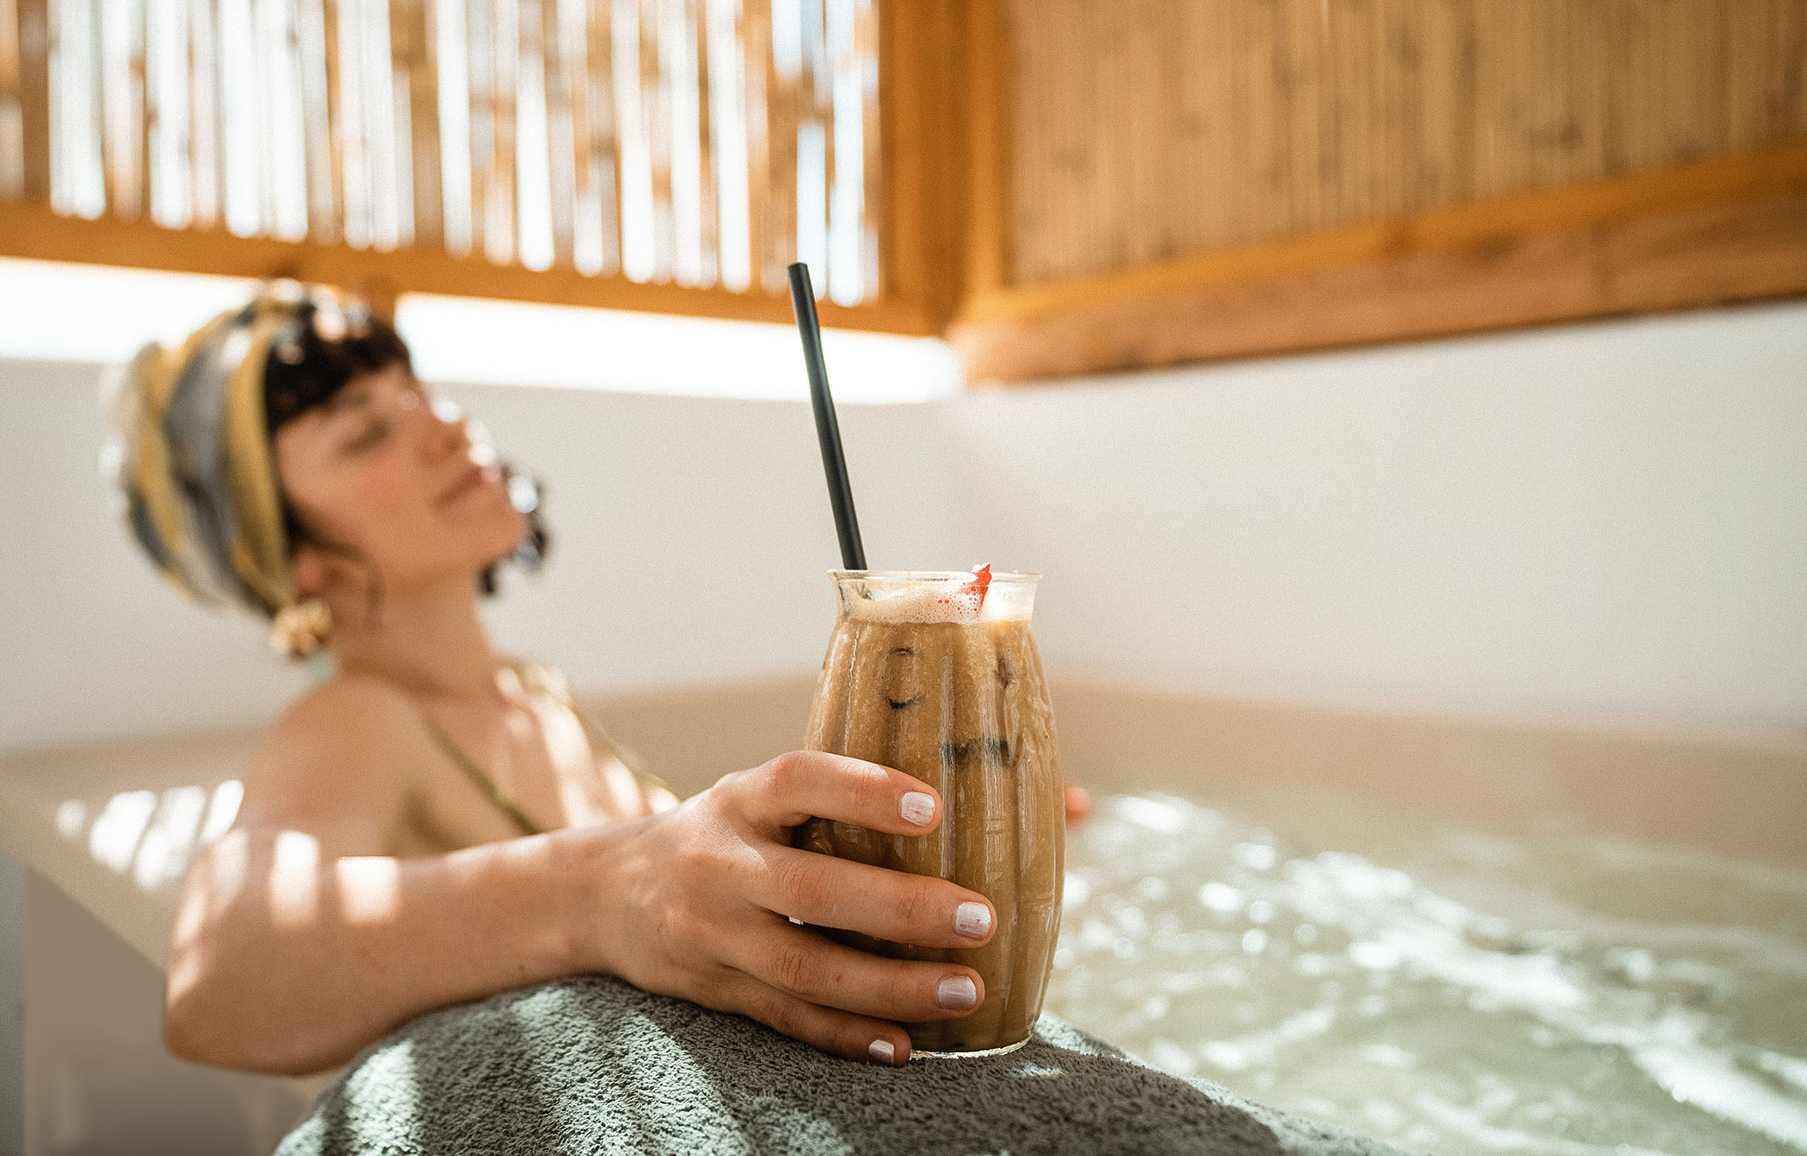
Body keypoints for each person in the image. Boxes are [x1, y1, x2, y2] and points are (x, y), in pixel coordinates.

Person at [106, 282, 1086, 1079]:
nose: (442, 426)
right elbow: (223, 975)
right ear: (295, 557)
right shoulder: (354, 721)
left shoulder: (537, 693)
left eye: (417, 393)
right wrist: (599, 893)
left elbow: (680, 886)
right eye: (362, 433)